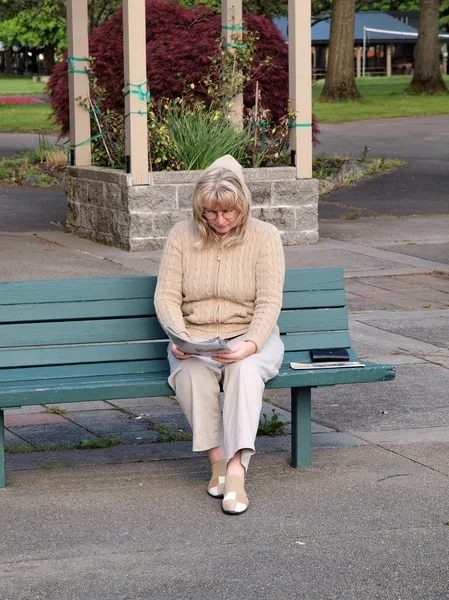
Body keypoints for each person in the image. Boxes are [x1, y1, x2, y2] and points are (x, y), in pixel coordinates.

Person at [154, 154, 285, 515]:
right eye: (211, 213)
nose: (220, 220)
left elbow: (270, 300)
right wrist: (179, 336)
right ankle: (216, 463)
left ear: (242, 206)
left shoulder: (265, 236)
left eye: (228, 213)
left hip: (250, 335)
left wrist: (250, 344)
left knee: (244, 372)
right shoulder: (182, 235)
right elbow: (166, 295)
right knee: (191, 373)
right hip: (195, 337)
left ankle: (235, 472)